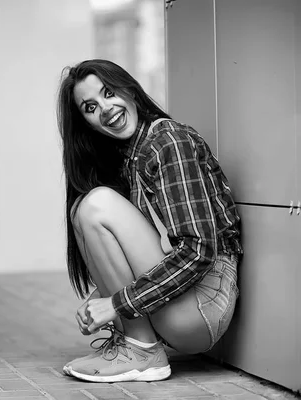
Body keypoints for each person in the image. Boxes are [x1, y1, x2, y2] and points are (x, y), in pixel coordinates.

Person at [56, 59, 243, 383]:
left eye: (109, 92)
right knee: (85, 206)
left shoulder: (167, 142)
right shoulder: (133, 155)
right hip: (185, 306)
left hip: (204, 305)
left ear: (129, 89)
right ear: (86, 123)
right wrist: (102, 295)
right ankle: (136, 346)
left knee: (95, 205)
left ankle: (141, 350)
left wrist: (117, 303)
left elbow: (199, 251)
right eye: (90, 106)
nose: (106, 108)